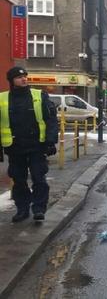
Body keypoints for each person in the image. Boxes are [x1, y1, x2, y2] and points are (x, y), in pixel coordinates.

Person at [0, 67, 58, 222]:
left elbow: (51, 119)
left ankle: (39, 209)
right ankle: (22, 209)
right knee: (18, 181)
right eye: (19, 77)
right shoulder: (2, 99)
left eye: (25, 76)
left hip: (36, 147)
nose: (24, 79)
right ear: (11, 80)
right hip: (14, 147)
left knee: (39, 178)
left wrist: (51, 141)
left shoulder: (39, 96)